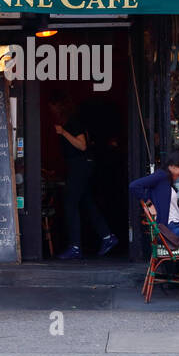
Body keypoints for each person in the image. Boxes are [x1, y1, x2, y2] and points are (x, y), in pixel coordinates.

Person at [50, 94, 118, 260]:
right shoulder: (71, 121)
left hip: (81, 165)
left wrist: (63, 132)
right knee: (86, 202)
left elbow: (82, 145)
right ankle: (107, 236)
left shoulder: (72, 122)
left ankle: (75, 246)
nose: (51, 110)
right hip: (81, 166)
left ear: (60, 107)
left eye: (53, 106)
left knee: (70, 203)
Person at [129, 149, 179, 245]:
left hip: (174, 227)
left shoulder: (166, 179)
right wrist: (149, 205)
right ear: (173, 166)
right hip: (168, 232)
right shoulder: (161, 176)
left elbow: (169, 212)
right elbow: (134, 186)